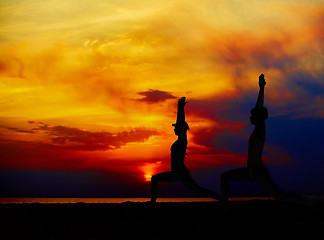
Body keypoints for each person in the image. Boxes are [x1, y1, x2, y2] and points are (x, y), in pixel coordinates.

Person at [221, 74, 293, 202]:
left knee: (279, 196)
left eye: (252, 116)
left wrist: (261, 88)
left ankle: (308, 202)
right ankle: (224, 202)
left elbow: (258, 108)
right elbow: (257, 110)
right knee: (225, 177)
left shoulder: (260, 129)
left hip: (257, 170)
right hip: (252, 170)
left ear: (258, 118)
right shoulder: (257, 130)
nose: (250, 117)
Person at [151, 97, 221, 203]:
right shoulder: (180, 140)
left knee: (199, 190)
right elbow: (180, 123)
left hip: (180, 172)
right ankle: (222, 199)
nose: (174, 129)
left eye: (176, 127)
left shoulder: (182, 140)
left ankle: (152, 202)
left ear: (181, 129)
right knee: (199, 190)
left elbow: (181, 121)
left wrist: (180, 108)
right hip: (178, 171)